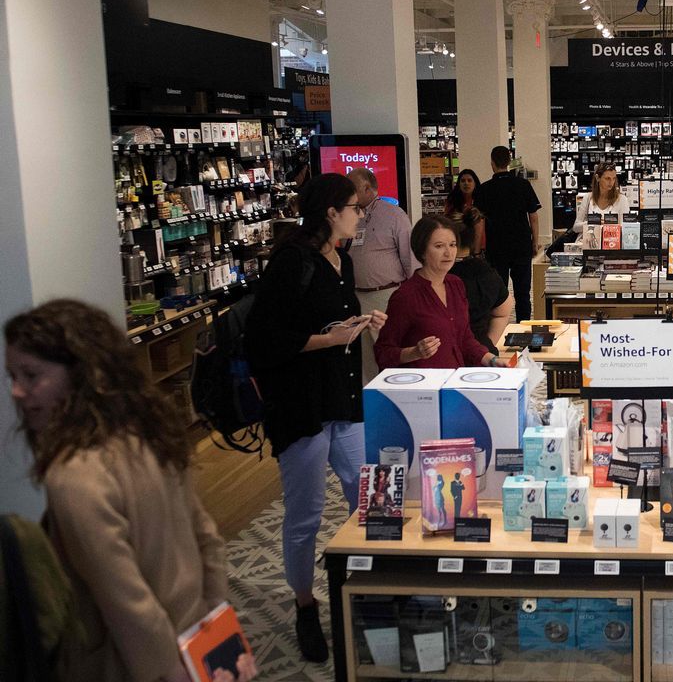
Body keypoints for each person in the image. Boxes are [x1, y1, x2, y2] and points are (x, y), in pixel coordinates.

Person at [4, 299, 255, 682]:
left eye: (31, 375)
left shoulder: (72, 477)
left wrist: (171, 671)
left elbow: (126, 602)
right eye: (12, 376)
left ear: (80, 375)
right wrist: (214, 618)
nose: (17, 392)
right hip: (195, 632)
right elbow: (207, 538)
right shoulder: (149, 436)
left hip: (135, 665)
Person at [245, 172, 387, 663]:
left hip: (343, 398)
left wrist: (359, 324)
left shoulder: (340, 260)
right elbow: (266, 342)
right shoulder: (292, 263)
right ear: (331, 212)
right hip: (301, 406)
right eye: (354, 207)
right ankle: (305, 605)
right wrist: (330, 340)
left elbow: (330, 321)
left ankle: (367, 588)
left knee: (365, 496)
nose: (361, 213)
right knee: (304, 514)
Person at [375, 214, 503, 370]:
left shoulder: (455, 284)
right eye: (439, 246)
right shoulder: (406, 296)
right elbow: (383, 352)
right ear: (422, 250)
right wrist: (414, 352)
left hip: (454, 382)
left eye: (452, 244)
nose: (448, 253)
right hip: (423, 387)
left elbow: (464, 339)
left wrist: (492, 360)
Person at [346, 167, 416, 384]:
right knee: (365, 353)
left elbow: (409, 258)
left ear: (367, 188)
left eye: (352, 186)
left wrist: (413, 293)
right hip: (358, 295)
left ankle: (395, 390)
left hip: (386, 295)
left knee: (389, 348)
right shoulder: (349, 214)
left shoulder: (394, 215)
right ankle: (368, 397)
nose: (347, 191)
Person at [475, 146, 541, 322]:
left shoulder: (484, 189)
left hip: (496, 247)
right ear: (509, 161)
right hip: (521, 245)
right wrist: (535, 242)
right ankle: (524, 326)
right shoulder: (523, 185)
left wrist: (476, 249)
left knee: (498, 290)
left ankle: (499, 328)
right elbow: (533, 216)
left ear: (492, 163)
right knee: (522, 291)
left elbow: (479, 222)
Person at [449, 214, 514, 354]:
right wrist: (486, 345)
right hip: (482, 352)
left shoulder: (439, 276)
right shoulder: (484, 270)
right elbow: (505, 308)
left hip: (445, 358)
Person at [573, 163, 633, 233]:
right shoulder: (588, 198)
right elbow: (576, 227)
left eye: (613, 178)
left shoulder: (622, 199)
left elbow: (626, 228)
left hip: (612, 241)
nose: (611, 182)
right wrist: (592, 223)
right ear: (598, 178)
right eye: (607, 178)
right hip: (589, 241)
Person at [443, 168, 486, 254]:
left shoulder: (482, 200)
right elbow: (446, 222)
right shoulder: (452, 200)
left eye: (469, 180)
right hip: (458, 246)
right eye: (463, 181)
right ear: (459, 184)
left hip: (480, 246)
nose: (466, 183)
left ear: (475, 183)